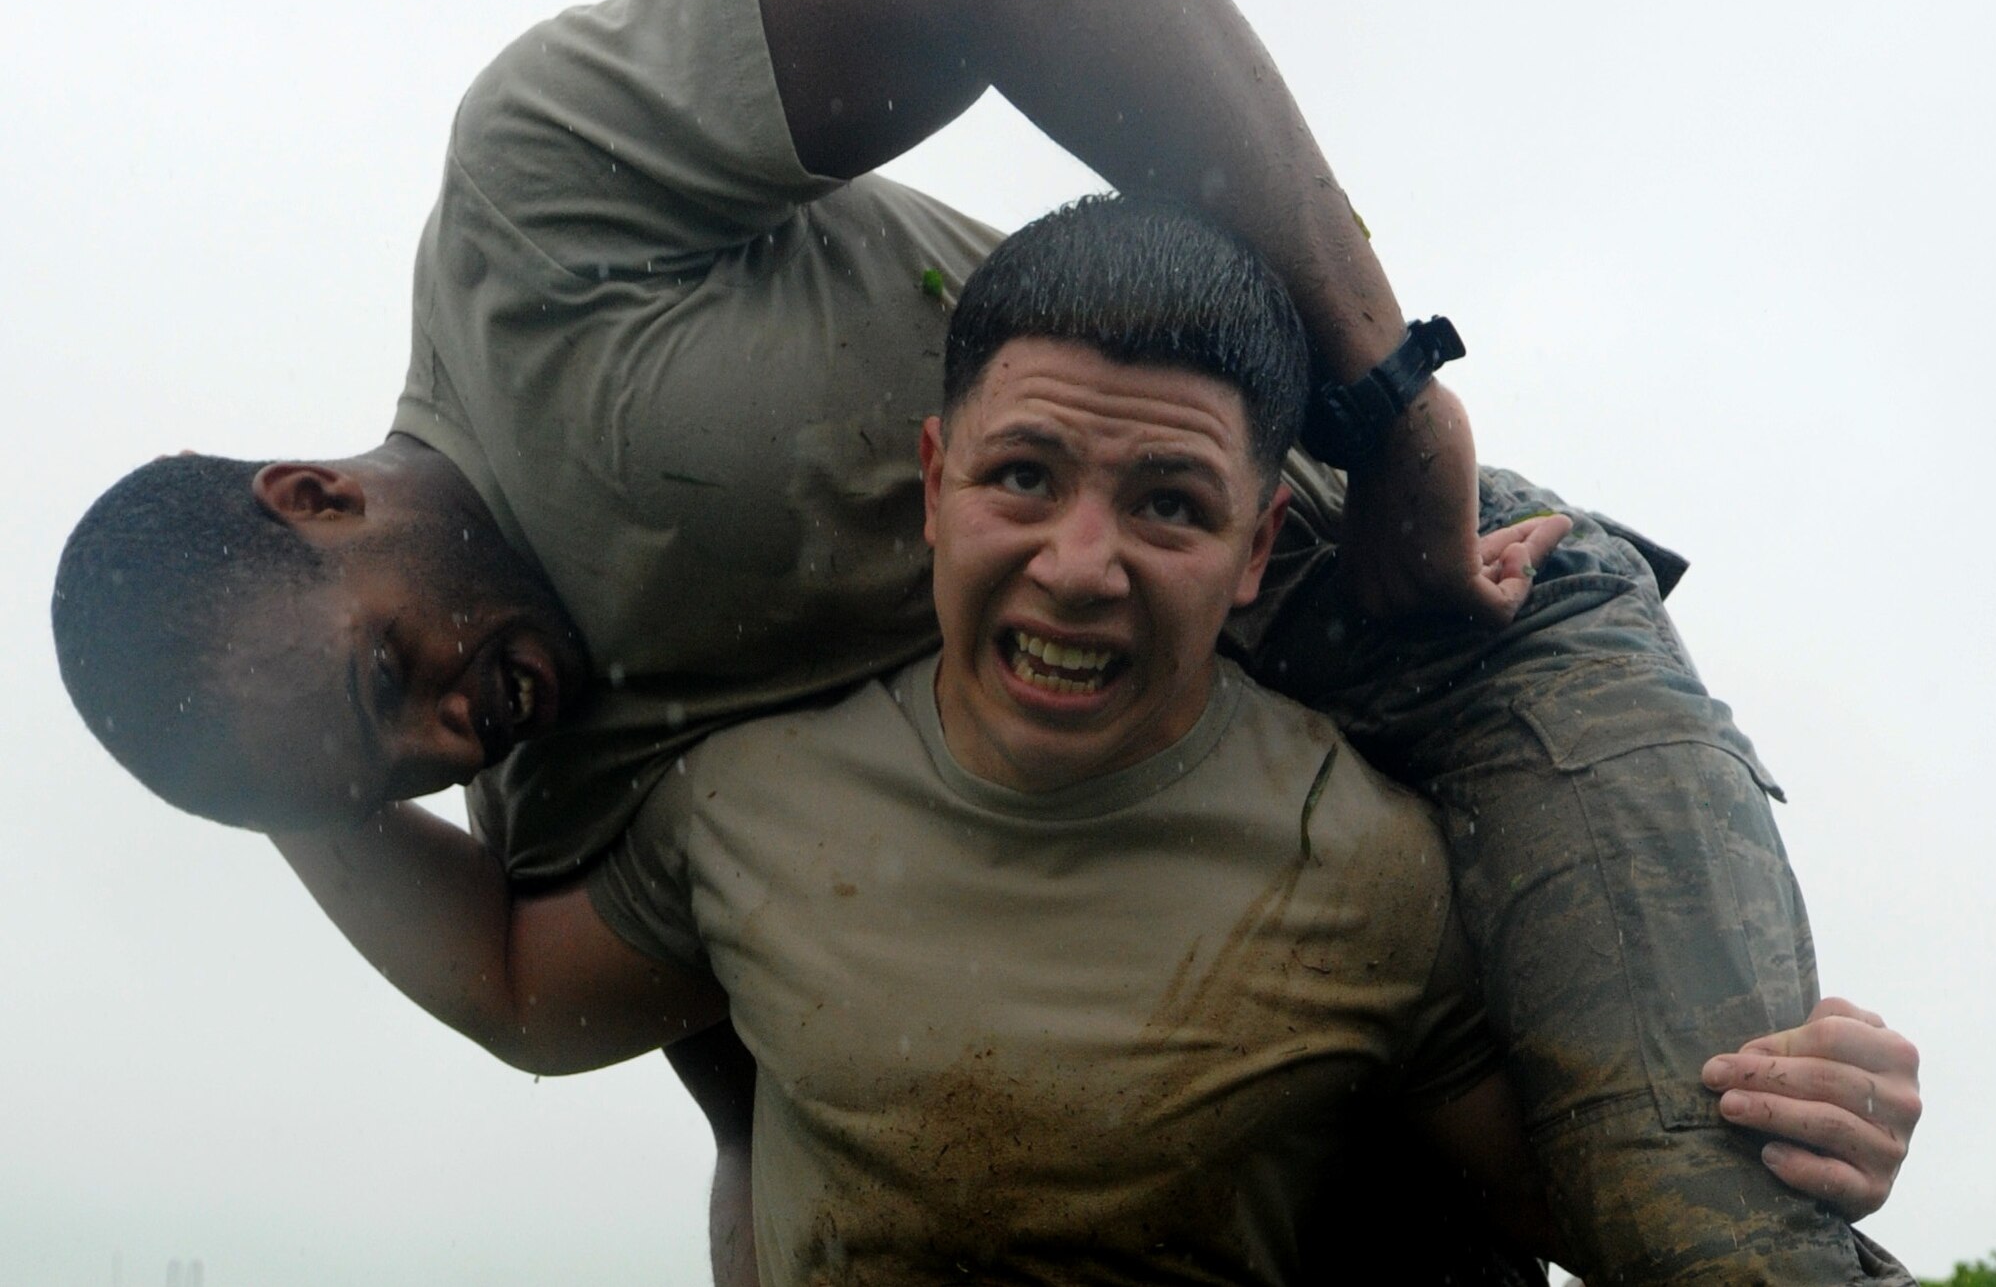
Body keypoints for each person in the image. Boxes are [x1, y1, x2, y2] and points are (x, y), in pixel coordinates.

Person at [50, 0, 1917, 1281]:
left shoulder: (541, 227)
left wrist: (1397, 421)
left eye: (391, 677)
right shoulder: (585, 786)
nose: (454, 732)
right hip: (1225, 908)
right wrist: (279, 775)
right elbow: (783, 1112)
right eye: (389, 775)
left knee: (1709, 1216)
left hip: (1453, 614)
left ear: (311, 494)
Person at [267, 197, 1627, 1279]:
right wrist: (264, 763)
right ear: (935, 484)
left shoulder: (1372, 865)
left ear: (1259, 547)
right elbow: (520, 990)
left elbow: (1585, 1205)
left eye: (1169, 503)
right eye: (1024, 476)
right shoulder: (746, 801)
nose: (1080, 564)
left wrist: (1822, 1103)